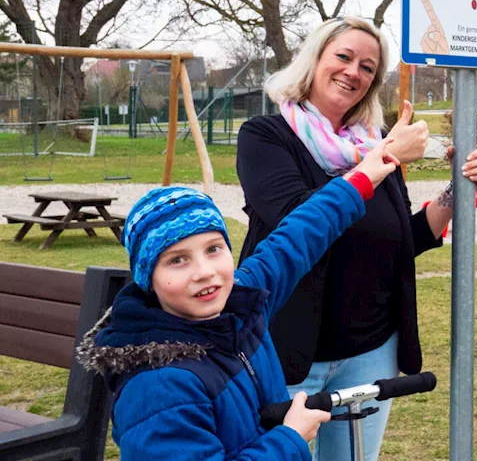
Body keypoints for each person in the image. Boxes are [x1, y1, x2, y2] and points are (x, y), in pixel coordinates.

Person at [237, 16, 477, 461]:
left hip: (371, 351)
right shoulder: (265, 136)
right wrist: (384, 156)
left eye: (368, 67)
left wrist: (456, 190)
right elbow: (298, 221)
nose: (354, 72)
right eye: (344, 57)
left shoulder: (371, 144)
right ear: (315, 59)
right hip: (290, 352)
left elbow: (401, 239)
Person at [77, 138, 403, 459]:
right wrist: (290, 439)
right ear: (149, 279)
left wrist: (362, 178)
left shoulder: (239, 302)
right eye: (177, 260)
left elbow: (296, 238)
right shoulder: (159, 385)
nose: (204, 272)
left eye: (213, 249)